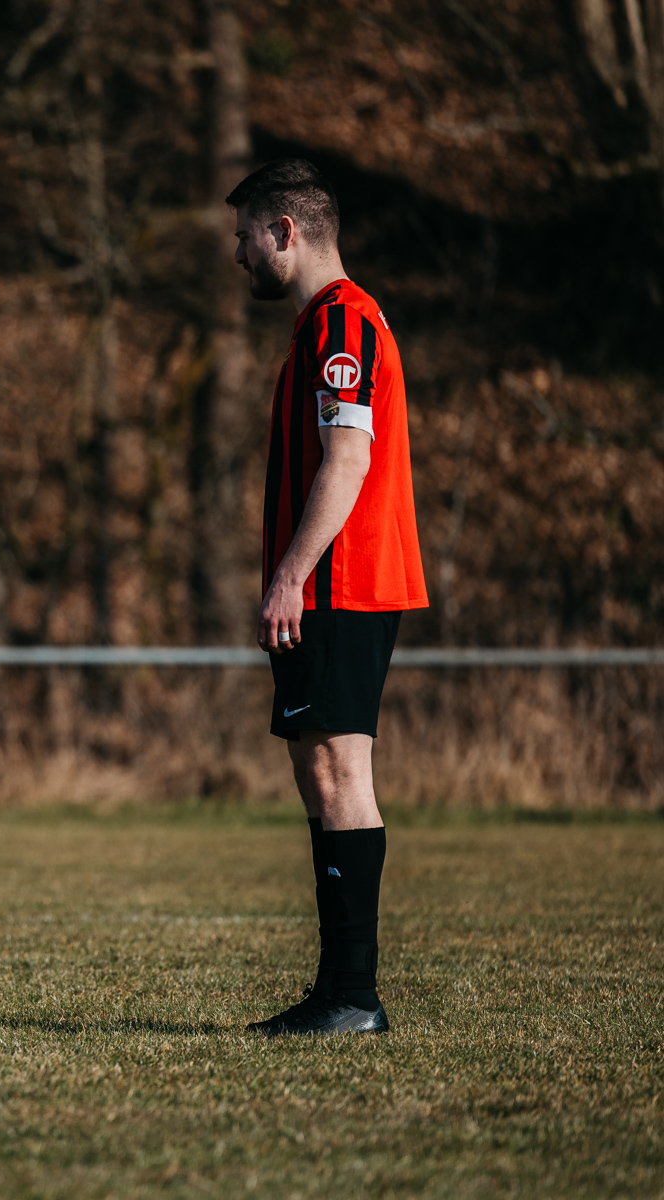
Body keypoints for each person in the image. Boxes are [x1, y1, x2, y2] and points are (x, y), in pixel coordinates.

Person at [226, 160, 428, 1036]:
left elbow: (348, 459)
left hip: (342, 583)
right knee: (319, 771)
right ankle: (336, 991)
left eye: (245, 236)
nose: (238, 254)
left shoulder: (343, 320)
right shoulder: (323, 324)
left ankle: (353, 997)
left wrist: (290, 575)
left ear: (286, 231)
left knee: (341, 771)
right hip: (331, 584)